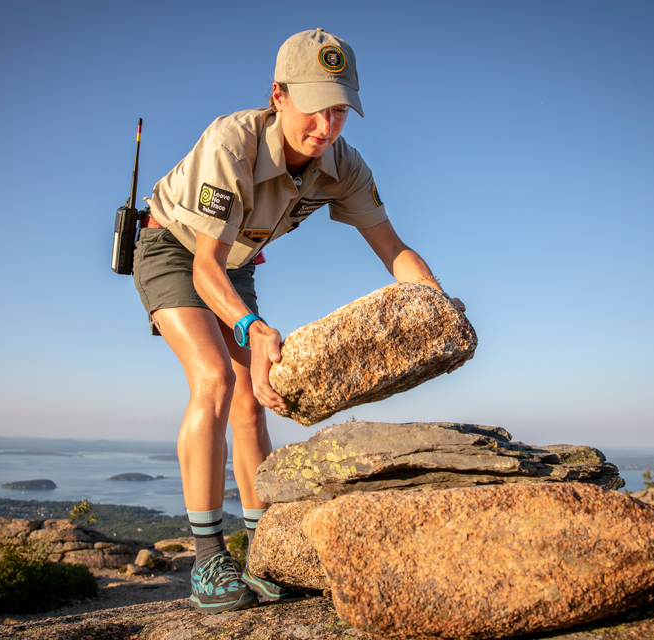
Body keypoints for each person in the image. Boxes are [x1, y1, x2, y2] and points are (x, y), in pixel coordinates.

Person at [132, 28, 470, 614]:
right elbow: (204, 267)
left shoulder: (343, 165)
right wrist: (253, 329)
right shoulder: (230, 142)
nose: (326, 127)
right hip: (174, 251)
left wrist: (437, 302)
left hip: (232, 264)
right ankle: (208, 557)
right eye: (314, 108)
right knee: (214, 378)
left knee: (254, 395)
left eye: (339, 110)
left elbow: (393, 249)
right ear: (279, 95)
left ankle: (266, 549)